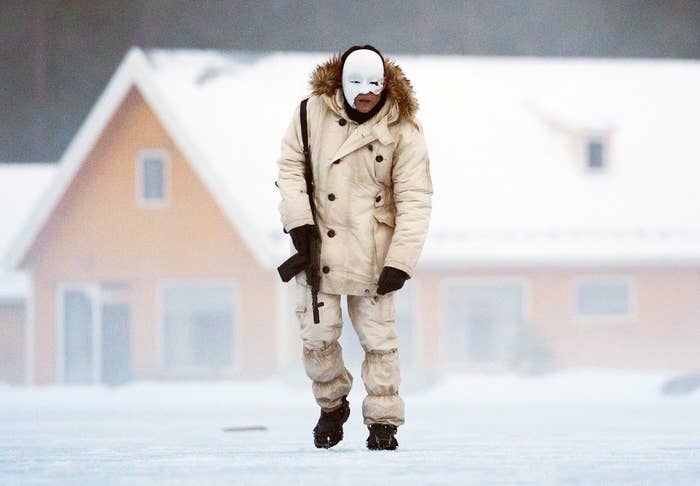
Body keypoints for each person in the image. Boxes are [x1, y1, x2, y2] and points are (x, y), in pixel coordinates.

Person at [276, 45, 432, 450]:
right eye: (356, 84)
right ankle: (331, 406)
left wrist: (401, 261)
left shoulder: (404, 130)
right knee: (317, 335)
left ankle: (383, 423)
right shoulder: (309, 115)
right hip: (318, 248)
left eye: (373, 85)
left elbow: (416, 199)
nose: (365, 94)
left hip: (374, 251)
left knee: (379, 340)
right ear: (341, 83)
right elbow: (289, 169)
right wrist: (299, 224)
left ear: (385, 86)